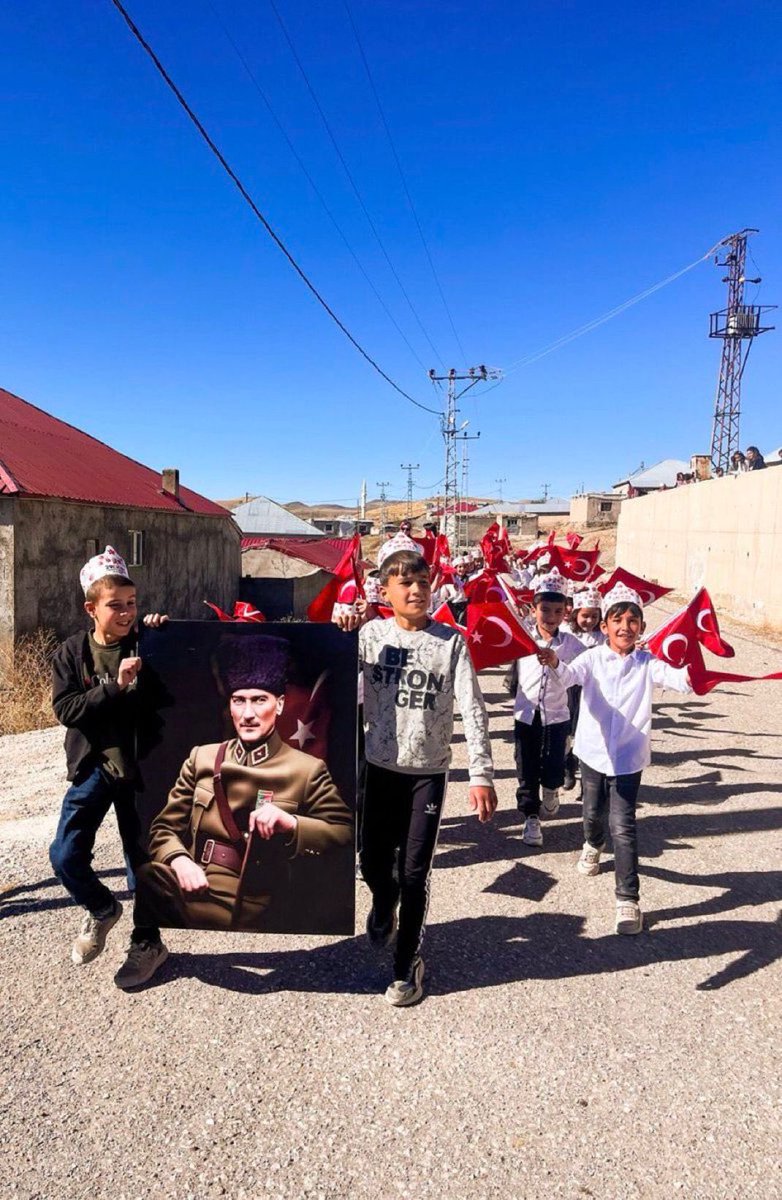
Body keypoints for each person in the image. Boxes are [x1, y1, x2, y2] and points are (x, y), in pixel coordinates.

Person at [336, 549, 496, 1007]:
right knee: (371, 862)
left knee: (414, 872)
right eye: (404, 583)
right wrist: (341, 631)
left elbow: (473, 709)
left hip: (427, 772)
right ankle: (382, 904)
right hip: (379, 769)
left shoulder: (451, 642)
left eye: (423, 581)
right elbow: (331, 680)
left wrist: (481, 773)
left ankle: (407, 965)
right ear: (383, 592)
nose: (416, 590)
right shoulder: (370, 636)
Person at [136, 635, 353, 932]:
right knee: (148, 876)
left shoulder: (307, 770)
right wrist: (179, 860)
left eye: (259, 700)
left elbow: (344, 833)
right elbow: (163, 829)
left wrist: (291, 823)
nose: (248, 714)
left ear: (279, 705)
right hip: (196, 881)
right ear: (230, 706)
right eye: (239, 701)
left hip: (261, 898)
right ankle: (148, 944)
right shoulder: (203, 757)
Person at [537, 583, 691, 935]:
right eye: (617, 620)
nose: (625, 626)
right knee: (592, 814)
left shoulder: (648, 663)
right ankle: (592, 843)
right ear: (604, 626)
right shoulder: (591, 658)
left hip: (628, 759)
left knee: (623, 826)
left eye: (633, 620)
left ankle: (628, 899)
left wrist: (696, 668)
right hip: (592, 753)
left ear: (642, 626)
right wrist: (555, 661)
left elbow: (682, 680)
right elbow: (569, 675)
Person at [49, 546, 169, 989]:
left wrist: (163, 633)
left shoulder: (147, 644)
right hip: (93, 769)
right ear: (91, 608)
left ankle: (147, 942)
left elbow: (181, 679)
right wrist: (115, 688)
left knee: (142, 861)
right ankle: (102, 908)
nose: (126, 613)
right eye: (115, 605)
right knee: (64, 855)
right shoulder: (71, 653)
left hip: (140, 773)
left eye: (132, 604)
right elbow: (67, 709)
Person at [513, 569, 584, 847]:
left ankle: (552, 788)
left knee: (554, 762)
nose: (551, 617)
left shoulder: (571, 644)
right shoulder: (522, 638)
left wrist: (556, 662)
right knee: (525, 764)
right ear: (533, 609)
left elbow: (591, 665)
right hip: (526, 715)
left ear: (566, 612)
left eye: (558, 610)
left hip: (557, 716)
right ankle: (531, 817)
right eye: (545, 609)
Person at [563, 586, 605, 791]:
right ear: (574, 614)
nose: (590, 621)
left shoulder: (602, 637)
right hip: (570, 690)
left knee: (588, 729)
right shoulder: (565, 633)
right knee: (569, 729)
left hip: (594, 689)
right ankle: (567, 764)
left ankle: (587, 775)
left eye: (595, 616)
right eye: (585, 616)